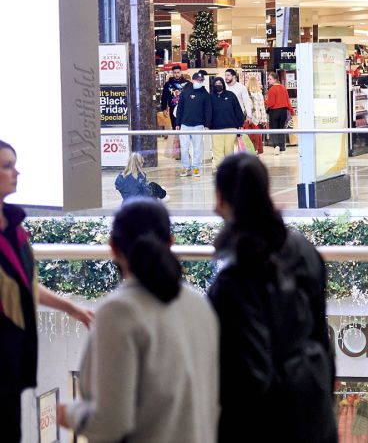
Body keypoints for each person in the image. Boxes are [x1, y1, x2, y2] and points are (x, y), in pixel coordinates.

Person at [59, 200, 219, 443]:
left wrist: (69, 414)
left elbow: (111, 422)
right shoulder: (200, 306)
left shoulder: (118, 312)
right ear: (170, 243)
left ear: (112, 247)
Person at [207, 154, 337, 443]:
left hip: (265, 421)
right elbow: (322, 336)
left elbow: (243, 377)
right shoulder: (303, 249)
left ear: (219, 198)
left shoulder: (234, 277)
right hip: (313, 408)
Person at [1, 141, 94, 441]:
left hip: (13, 353)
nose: (16, 172)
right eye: (6, 166)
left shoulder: (14, 226)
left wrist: (71, 308)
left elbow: (24, 285)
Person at [177, 71, 212, 177]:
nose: (199, 82)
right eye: (197, 80)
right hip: (185, 124)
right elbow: (180, 108)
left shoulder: (205, 94)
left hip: (198, 125)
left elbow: (208, 110)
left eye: (201, 80)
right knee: (184, 148)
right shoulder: (185, 92)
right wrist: (178, 123)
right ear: (193, 80)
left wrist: (207, 125)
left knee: (197, 148)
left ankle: (196, 167)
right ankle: (185, 167)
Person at [210, 76, 245, 165]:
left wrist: (240, 124)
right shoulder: (210, 97)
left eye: (220, 84)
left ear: (223, 85)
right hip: (216, 129)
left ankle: (229, 169)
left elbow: (238, 110)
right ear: (213, 85)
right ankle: (219, 169)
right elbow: (207, 112)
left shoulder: (230, 95)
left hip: (231, 127)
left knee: (229, 150)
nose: (218, 85)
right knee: (217, 150)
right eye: (216, 84)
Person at [264, 71, 293, 152]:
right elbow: (288, 101)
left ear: (275, 79)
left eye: (270, 79)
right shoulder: (283, 88)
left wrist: (265, 101)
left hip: (274, 112)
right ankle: (282, 147)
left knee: (274, 129)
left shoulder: (272, 89)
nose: (268, 80)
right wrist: (291, 111)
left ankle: (276, 147)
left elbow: (271, 103)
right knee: (281, 129)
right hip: (283, 111)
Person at [160, 64, 187, 129]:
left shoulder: (187, 84)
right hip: (172, 108)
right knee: (175, 127)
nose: (176, 74)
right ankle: (177, 138)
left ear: (181, 72)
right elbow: (164, 97)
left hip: (185, 109)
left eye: (178, 72)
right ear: (172, 73)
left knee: (184, 127)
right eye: (175, 73)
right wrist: (164, 108)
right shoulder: (168, 84)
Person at [244, 77, 267, 154]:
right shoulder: (259, 94)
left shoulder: (245, 93)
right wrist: (264, 119)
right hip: (257, 117)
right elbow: (262, 108)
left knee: (249, 135)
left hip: (248, 117)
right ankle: (256, 149)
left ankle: (249, 149)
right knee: (257, 135)